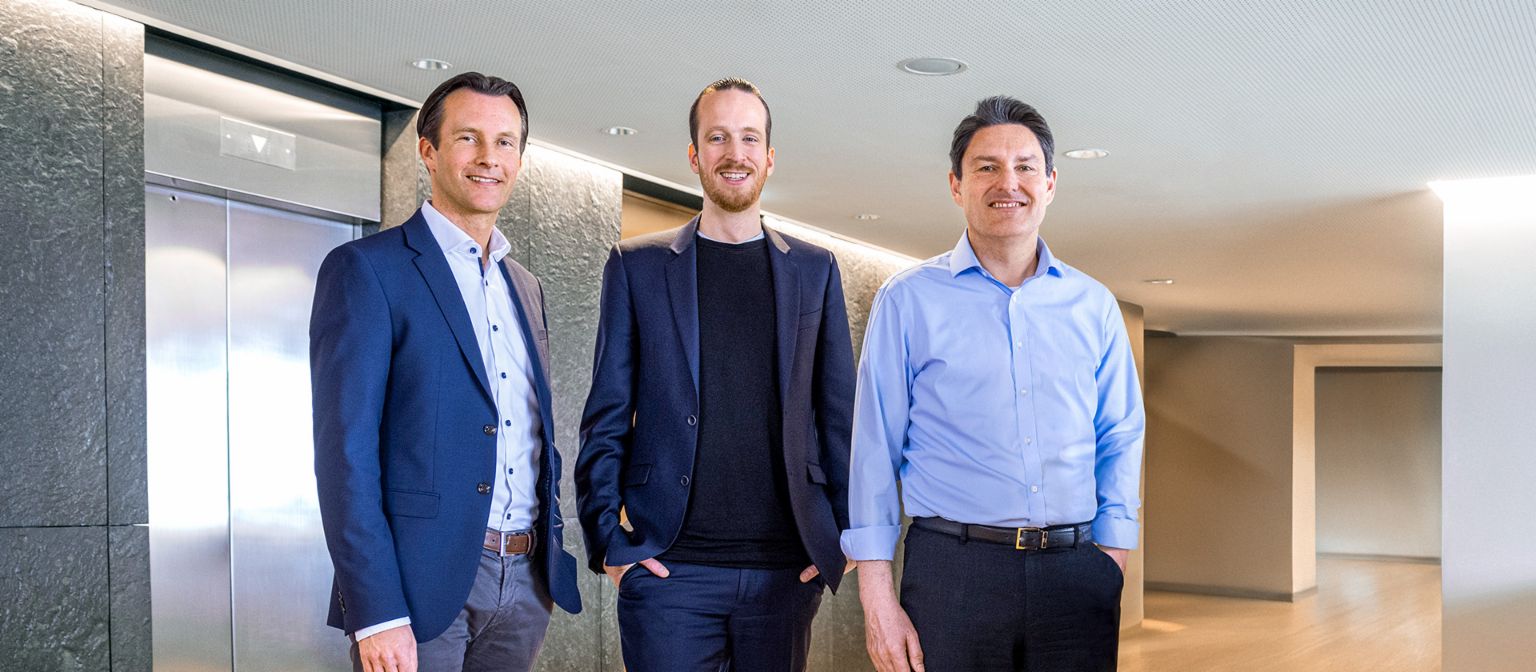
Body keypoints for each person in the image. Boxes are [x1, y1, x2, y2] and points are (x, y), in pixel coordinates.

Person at [845, 96, 1146, 672]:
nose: (1008, 182)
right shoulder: (907, 300)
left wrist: (1112, 555)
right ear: (956, 185)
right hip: (953, 575)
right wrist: (877, 595)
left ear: (1051, 182)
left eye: (1025, 166)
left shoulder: (1093, 305)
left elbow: (1120, 434)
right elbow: (873, 450)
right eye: (986, 167)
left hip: (1077, 572)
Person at [575, 77, 855, 672]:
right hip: (670, 572)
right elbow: (604, 417)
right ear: (695, 155)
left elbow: (838, 416)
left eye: (749, 138)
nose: (735, 152)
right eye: (718, 137)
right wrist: (609, 542)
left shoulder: (814, 270)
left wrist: (845, 536)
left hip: (784, 573)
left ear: (770, 157)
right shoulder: (638, 267)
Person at [310, 72, 581, 672]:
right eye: (468, 138)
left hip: (526, 582)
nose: (490, 158)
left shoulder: (526, 287)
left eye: (506, 142)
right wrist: (375, 611)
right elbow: (345, 454)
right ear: (428, 151)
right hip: (417, 586)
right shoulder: (368, 271)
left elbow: (534, 430)